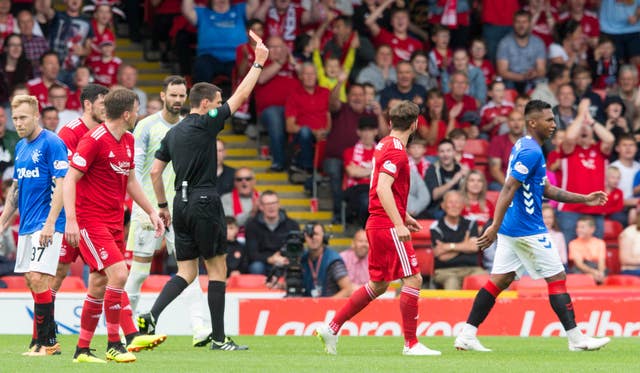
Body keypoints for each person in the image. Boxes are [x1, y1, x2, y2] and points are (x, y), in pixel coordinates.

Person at [136, 34, 269, 352]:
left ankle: (150, 316)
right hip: (205, 200)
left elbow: (156, 172)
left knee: (186, 270)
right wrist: (259, 62)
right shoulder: (206, 123)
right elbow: (240, 96)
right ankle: (220, 339)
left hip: (179, 204)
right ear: (206, 103)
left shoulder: (173, 132)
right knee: (218, 268)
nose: (221, 104)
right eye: (217, 100)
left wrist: (163, 205)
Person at [453, 99, 611, 352]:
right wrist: (493, 225)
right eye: (548, 120)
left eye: (553, 119)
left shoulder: (526, 146)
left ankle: (467, 334)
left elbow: (545, 188)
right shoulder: (532, 151)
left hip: (512, 227)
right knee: (557, 278)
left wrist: (584, 198)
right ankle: (576, 339)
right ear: (533, 122)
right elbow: (508, 188)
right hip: (526, 228)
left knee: (500, 280)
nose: (553, 124)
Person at [315, 100, 442, 356]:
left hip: (378, 222)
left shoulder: (384, 143)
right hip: (386, 224)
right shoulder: (396, 151)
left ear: (391, 122)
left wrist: (404, 215)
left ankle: (332, 326)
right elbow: (383, 188)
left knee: (379, 284)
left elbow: (381, 188)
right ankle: (411, 344)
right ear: (416, 124)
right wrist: (398, 223)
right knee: (414, 278)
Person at [64, 89, 167, 363]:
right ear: (126, 113)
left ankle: (82, 350)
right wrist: (71, 220)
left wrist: (152, 212)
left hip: (114, 221)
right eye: (136, 110)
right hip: (90, 220)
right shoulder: (93, 140)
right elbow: (69, 180)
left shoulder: (129, 139)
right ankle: (115, 343)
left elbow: (131, 181)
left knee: (99, 283)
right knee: (119, 274)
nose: (138, 114)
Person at [123, 76, 213, 348]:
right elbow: (135, 171)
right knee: (138, 272)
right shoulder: (146, 127)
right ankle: (123, 328)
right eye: (172, 95)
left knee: (190, 269)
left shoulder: (188, 127)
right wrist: (143, 208)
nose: (177, 100)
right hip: (148, 210)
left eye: (181, 96)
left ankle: (200, 328)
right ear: (162, 96)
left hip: (180, 210)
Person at [2, 95, 67, 356]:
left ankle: (48, 342)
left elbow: (62, 183)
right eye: (15, 118)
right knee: (32, 280)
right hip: (28, 224)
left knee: (38, 277)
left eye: (23, 117)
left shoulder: (52, 142)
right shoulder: (20, 147)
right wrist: (3, 223)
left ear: (36, 115)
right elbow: (15, 190)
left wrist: (51, 222)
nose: (19, 122)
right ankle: (40, 340)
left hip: (47, 222)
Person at [52, 83, 109, 303]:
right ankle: (43, 330)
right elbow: (66, 177)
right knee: (58, 270)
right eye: (102, 104)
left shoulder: (108, 130)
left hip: (98, 215)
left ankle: (103, 334)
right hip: (71, 214)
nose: (107, 108)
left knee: (102, 274)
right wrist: (69, 218)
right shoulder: (69, 132)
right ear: (87, 104)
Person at [430, 190, 485, 290]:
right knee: (452, 282)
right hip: (446, 271)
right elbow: (441, 255)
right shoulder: (436, 227)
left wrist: (448, 247)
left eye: (457, 202)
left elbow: (474, 247)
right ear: (443, 205)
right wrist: (465, 244)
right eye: (451, 202)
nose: (454, 206)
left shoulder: (471, 223)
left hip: (472, 269)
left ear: (462, 205)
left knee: (485, 281)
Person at [245, 190, 300, 275]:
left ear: (279, 205)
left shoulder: (292, 225)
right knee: (256, 267)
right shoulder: (252, 226)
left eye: (274, 203)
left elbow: (296, 249)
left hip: (284, 260)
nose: (271, 207)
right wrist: (270, 259)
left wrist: (285, 259)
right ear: (261, 207)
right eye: (267, 204)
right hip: (263, 262)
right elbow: (252, 254)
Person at [496, 10, 547, 94]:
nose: (521, 25)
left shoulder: (538, 42)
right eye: (518, 22)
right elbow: (502, 71)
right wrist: (523, 77)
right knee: (504, 84)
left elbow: (542, 70)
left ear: (530, 24)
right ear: (513, 24)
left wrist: (534, 73)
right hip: (511, 80)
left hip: (532, 79)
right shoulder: (505, 43)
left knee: (542, 83)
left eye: (524, 22)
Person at [301, 223, 353, 298]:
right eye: (309, 235)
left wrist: (326, 305)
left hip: (330, 307)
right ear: (304, 238)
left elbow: (348, 289)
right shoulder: (302, 259)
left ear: (324, 237)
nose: (313, 237)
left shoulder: (333, 260)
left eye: (316, 234)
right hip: (308, 306)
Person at [568, 215, 607, 284]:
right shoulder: (573, 243)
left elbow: (601, 262)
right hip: (581, 270)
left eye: (582, 227)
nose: (578, 230)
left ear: (592, 229)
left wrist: (600, 272)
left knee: (605, 276)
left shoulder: (600, 243)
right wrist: (594, 273)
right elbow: (579, 264)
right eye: (578, 227)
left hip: (597, 268)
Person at [542, 204, 568, 269]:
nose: (547, 220)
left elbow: (563, 259)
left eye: (550, 217)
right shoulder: (532, 235)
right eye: (544, 217)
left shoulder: (559, 235)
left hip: (555, 267)